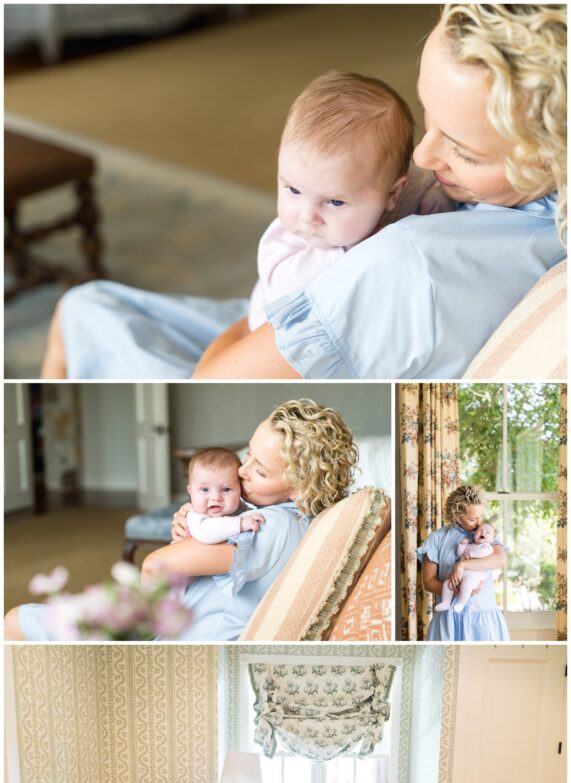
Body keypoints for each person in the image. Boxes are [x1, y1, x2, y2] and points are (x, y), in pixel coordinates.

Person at [41, 4, 566, 381]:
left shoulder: (410, 263)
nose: (424, 156)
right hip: (319, 337)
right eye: (427, 111)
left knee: (85, 310)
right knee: (89, 303)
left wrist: (257, 325)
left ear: (552, 152)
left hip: (278, 359)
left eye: (465, 151)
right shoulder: (535, 220)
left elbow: (214, 383)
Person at [4, 399, 358, 641]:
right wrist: (195, 526)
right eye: (247, 454)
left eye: (260, 471)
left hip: (168, 634)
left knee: (15, 620)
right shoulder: (299, 519)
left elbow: (157, 565)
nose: (242, 471)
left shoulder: (269, 526)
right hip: (182, 623)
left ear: (299, 487)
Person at [247, 70, 414, 331]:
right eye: (293, 190)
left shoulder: (409, 202)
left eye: (334, 202)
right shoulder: (284, 242)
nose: (307, 216)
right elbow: (283, 290)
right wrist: (350, 252)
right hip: (280, 340)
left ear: (392, 194)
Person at [417, 485, 509, 641]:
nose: (479, 523)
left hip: (482, 620)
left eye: (481, 516)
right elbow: (428, 581)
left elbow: (500, 559)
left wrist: (462, 565)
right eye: (473, 519)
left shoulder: (487, 534)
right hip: (448, 619)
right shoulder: (438, 538)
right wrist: (457, 591)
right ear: (458, 517)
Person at [184, 447, 265, 544]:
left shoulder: (239, 507)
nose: (215, 498)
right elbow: (206, 533)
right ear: (191, 491)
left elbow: (251, 517)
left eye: (226, 489)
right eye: (205, 489)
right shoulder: (195, 516)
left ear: (240, 489)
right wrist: (241, 524)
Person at [435, 521, 496, 612]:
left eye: (487, 532)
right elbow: (460, 555)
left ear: (492, 540)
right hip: (460, 573)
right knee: (448, 583)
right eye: (480, 530)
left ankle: (461, 603)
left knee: (467, 585)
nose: (483, 532)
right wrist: (462, 545)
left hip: (474, 575)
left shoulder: (487, 547)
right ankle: (446, 602)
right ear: (474, 534)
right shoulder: (470, 546)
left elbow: (483, 553)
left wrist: (471, 554)